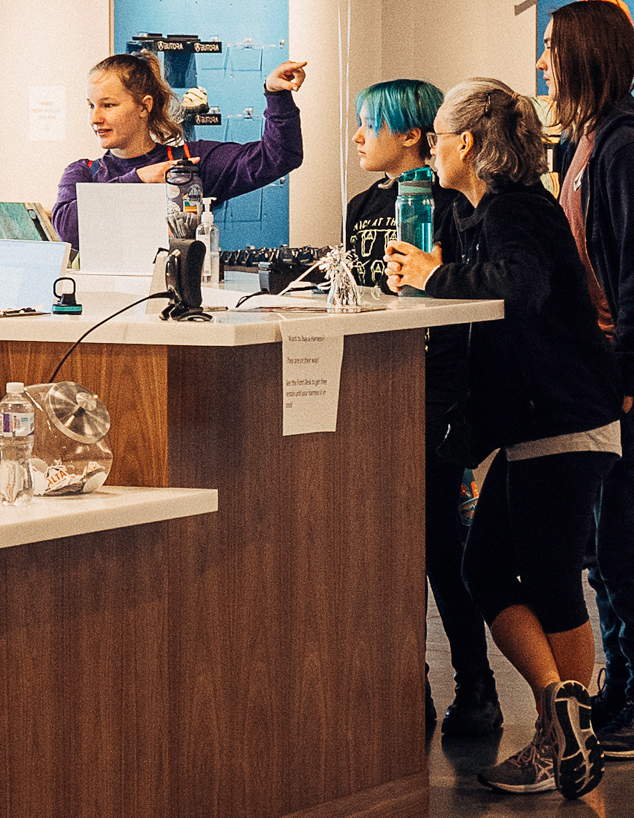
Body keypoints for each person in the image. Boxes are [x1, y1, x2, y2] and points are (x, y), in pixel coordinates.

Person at [386, 78, 622, 800]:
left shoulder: (516, 209)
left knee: (550, 583)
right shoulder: (489, 210)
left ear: (464, 144)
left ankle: (561, 738)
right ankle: (561, 711)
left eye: (437, 136)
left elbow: (517, 287)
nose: (430, 147)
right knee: (485, 567)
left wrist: (436, 276)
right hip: (537, 426)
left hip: (563, 423)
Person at [540, 0, 634, 760]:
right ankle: (623, 687)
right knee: (601, 545)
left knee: (629, 543)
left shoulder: (627, 148)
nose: (543, 64)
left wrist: (627, 377)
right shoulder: (590, 140)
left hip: (626, 378)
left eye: (551, 50)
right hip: (600, 374)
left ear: (582, 56)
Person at [343, 79, 500, 739]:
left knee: (439, 541)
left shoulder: (452, 201)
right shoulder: (359, 206)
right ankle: (410, 684)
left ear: (413, 134)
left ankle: (477, 684)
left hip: (438, 384)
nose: (356, 137)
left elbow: (468, 296)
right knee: (385, 543)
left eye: (368, 124)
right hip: (377, 381)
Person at [52, 51, 306, 250]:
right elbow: (67, 230)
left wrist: (276, 96)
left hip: (177, 309)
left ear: (144, 106)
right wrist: (140, 178)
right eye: (90, 105)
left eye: (108, 105)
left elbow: (279, 157)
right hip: (106, 309)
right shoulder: (83, 172)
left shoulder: (189, 163)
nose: (95, 118)